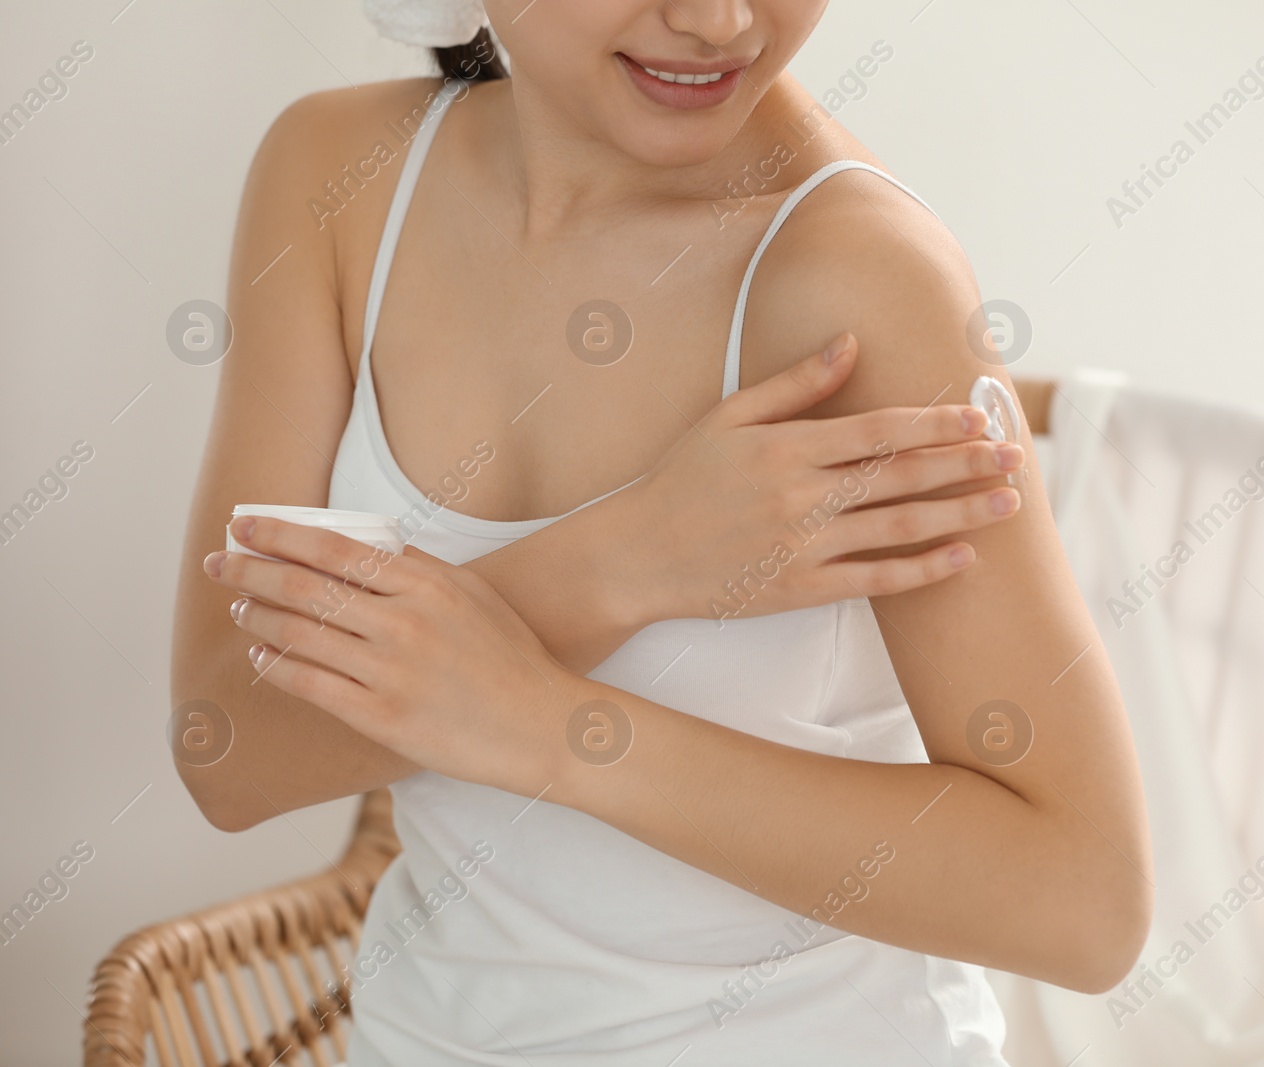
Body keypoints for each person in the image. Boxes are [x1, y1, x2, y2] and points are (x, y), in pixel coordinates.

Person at [171, 3, 1152, 1063]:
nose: (718, 21)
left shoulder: (860, 280)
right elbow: (228, 754)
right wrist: (621, 561)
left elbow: (1081, 900)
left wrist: (553, 726)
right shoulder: (338, 178)